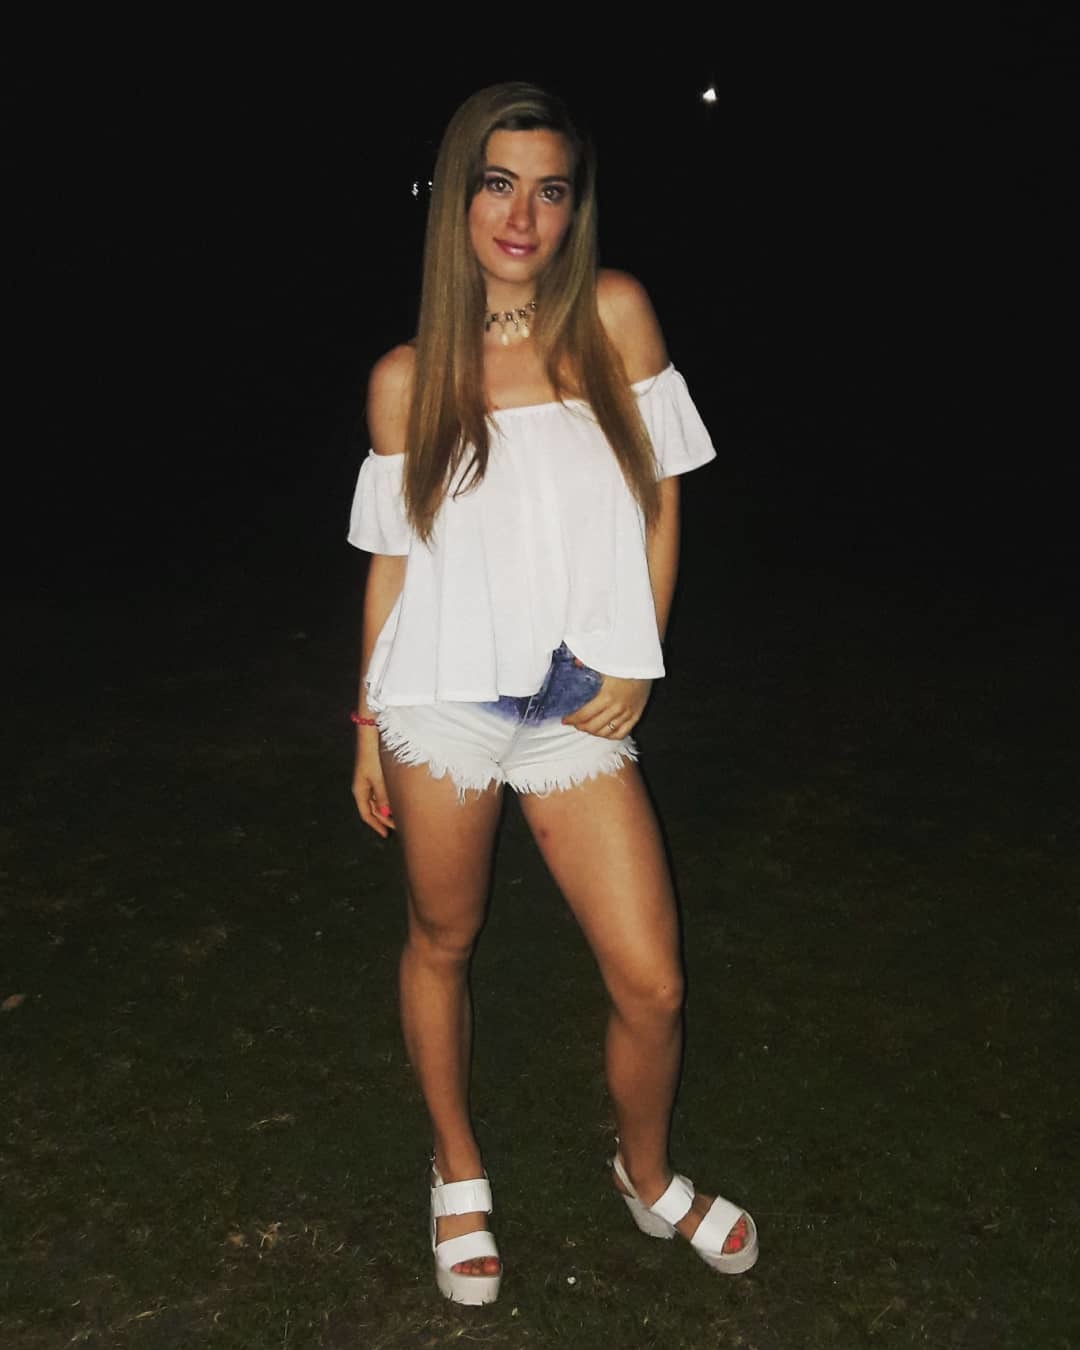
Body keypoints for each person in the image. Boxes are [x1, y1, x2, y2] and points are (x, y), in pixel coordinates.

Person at [348, 81, 757, 1306]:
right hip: (439, 702)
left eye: (550, 189)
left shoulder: (616, 318)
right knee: (444, 938)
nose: (522, 216)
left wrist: (639, 655)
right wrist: (365, 721)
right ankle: (456, 1166)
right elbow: (392, 565)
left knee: (652, 979)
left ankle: (645, 1172)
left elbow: (664, 495)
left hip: (578, 700)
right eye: (497, 184)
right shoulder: (406, 377)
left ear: (576, 207)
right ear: (458, 200)